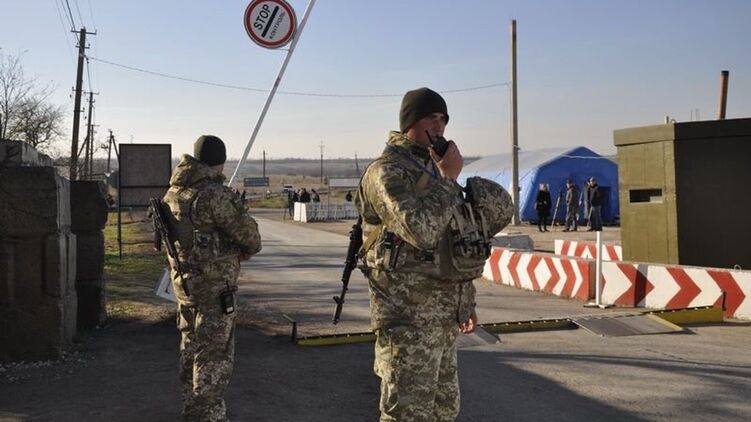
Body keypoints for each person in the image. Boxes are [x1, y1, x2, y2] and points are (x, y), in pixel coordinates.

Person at [356, 87, 512, 421]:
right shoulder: (387, 172)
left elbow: (455, 239)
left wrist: (465, 301)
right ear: (410, 121)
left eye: (443, 119)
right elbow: (421, 231)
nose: (439, 126)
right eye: (430, 117)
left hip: (442, 320)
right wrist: (449, 179)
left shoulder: (433, 169)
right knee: (408, 414)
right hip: (406, 320)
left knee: (444, 411)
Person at [161, 135, 262, 422]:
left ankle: (192, 409)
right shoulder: (214, 195)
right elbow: (251, 238)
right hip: (214, 287)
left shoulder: (174, 192)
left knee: (190, 347)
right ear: (220, 162)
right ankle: (208, 416)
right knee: (214, 356)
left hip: (184, 284)